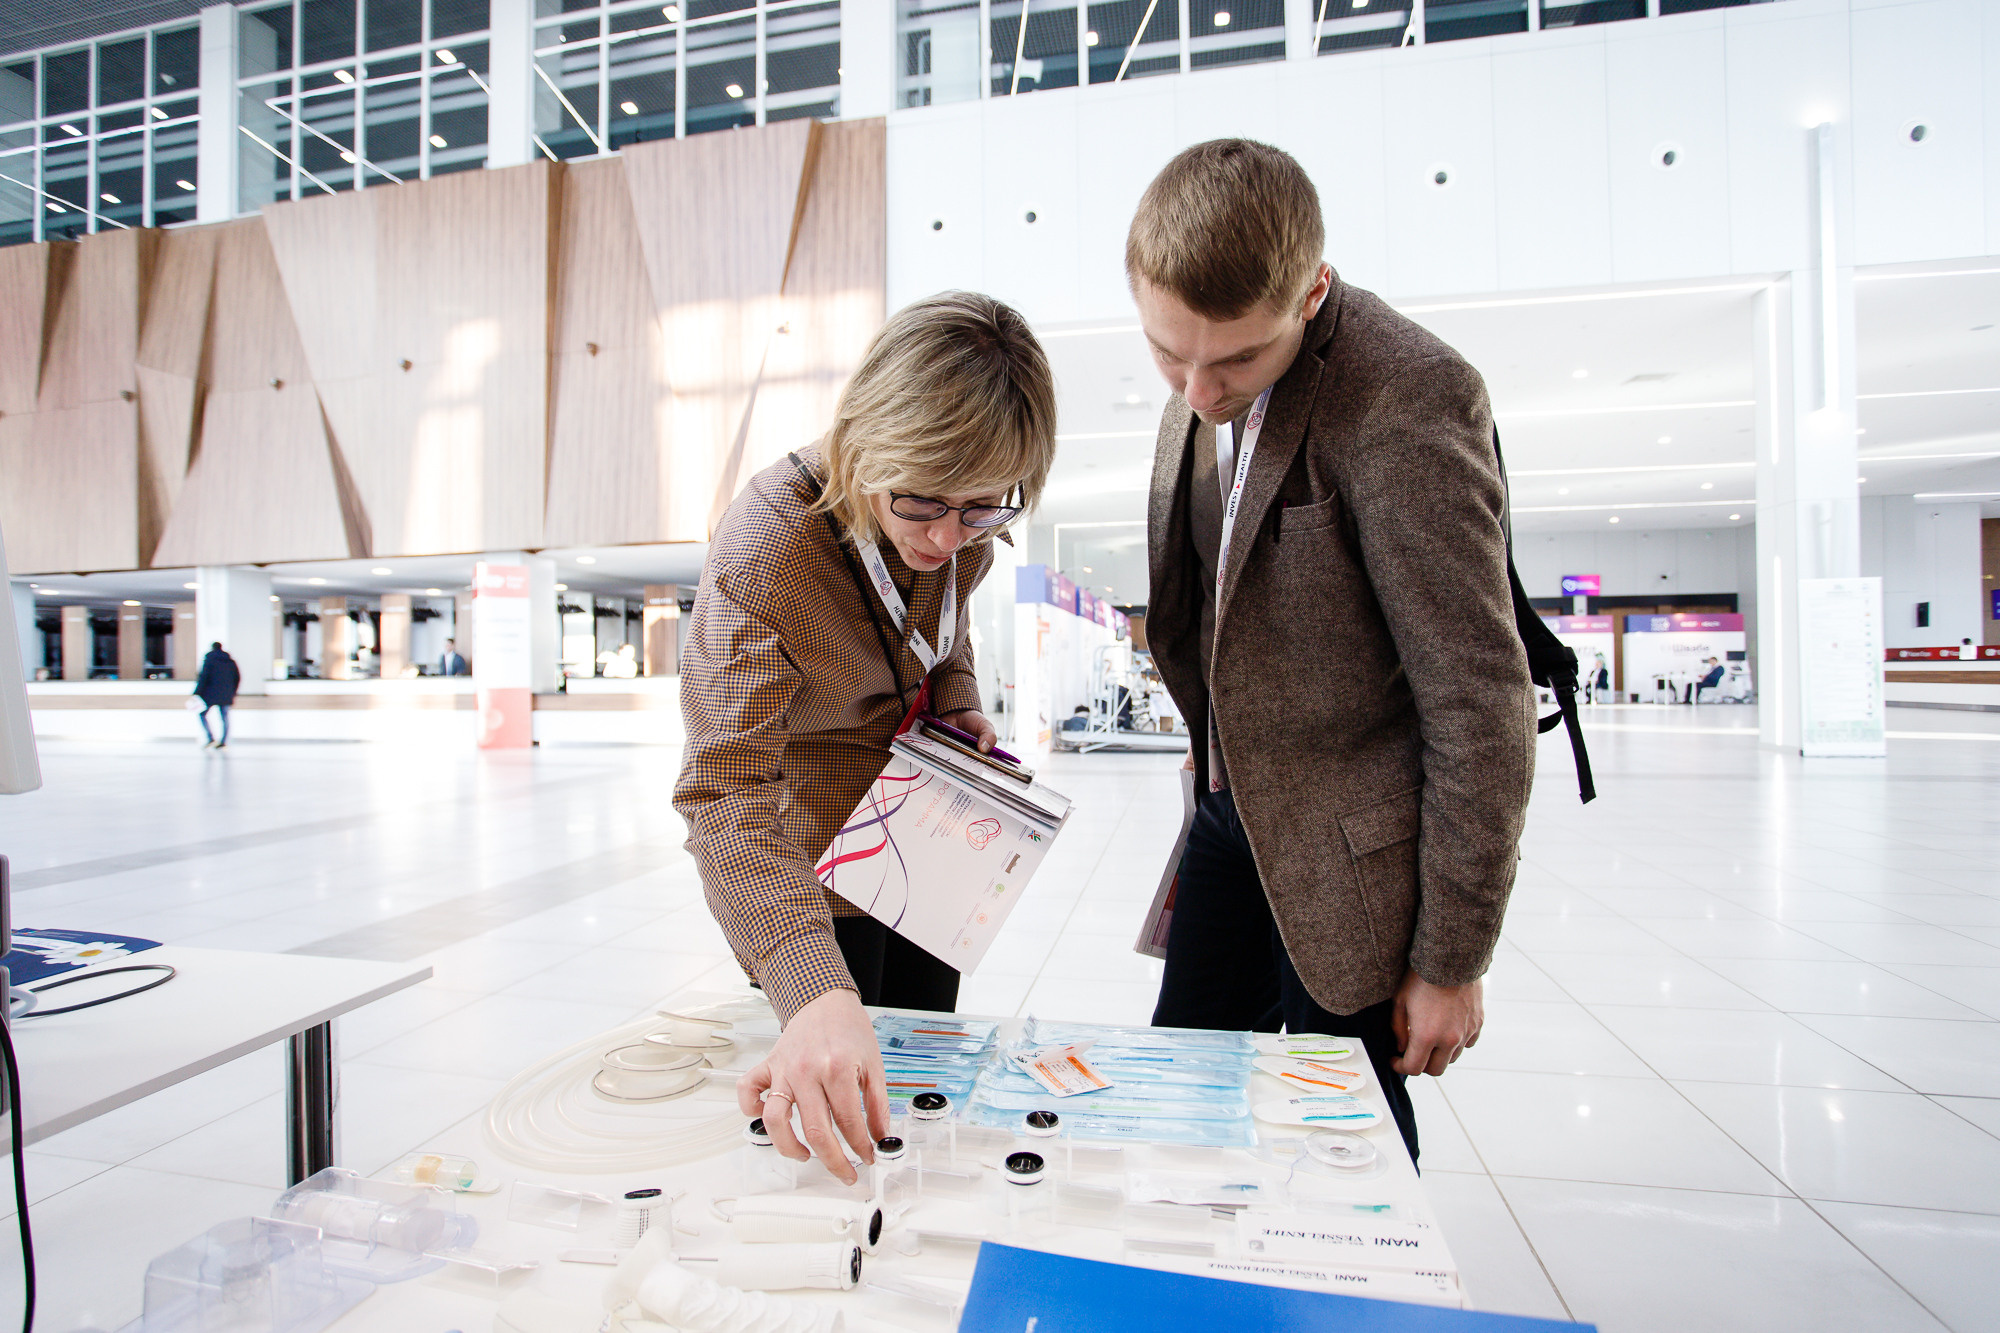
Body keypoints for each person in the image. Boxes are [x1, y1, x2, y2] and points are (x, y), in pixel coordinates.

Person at [1130, 141, 1535, 1163]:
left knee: (1336, 1145)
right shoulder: (1200, 367)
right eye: (1166, 354)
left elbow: (1477, 697)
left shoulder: (1406, 395)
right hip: (1229, 817)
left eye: (1234, 362)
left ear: (1313, 290)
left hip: (1351, 859)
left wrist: (1451, 959)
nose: (1197, 389)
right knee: (1183, 1099)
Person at [673, 292, 1057, 1185]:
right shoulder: (767, 552)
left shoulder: (962, 525)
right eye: (921, 503)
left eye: (980, 512)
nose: (944, 537)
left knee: (927, 1068)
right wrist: (809, 985)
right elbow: (722, 792)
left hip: (923, 826)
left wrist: (955, 692)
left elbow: (946, 620)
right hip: (810, 848)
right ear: (865, 438)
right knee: (837, 1072)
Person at [193, 642, 240, 749]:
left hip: (210, 694)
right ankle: (223, 741)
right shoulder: (230, 662)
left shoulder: (209, 661)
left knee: (202, 714)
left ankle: (210, 738)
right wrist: (233, 692)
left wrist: (197, 693)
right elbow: (237, 678)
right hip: (226, 694)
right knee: (224, 718)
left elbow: (203, 678)